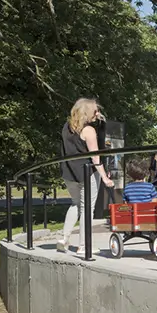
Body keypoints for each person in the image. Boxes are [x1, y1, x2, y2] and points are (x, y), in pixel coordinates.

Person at [58, 98, 114, 256]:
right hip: (86, 173)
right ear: (88, 112)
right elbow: (96, 157)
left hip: (69, 173)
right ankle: (83, 246)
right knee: (87, 209)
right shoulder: (88, 130)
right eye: (95, 111)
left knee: (75, 204)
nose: (98, 113)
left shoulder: (66, 127)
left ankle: (64, 238)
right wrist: (104, 177)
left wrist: (100, 123)